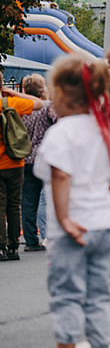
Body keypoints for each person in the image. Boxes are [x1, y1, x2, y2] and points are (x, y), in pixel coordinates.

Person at [35, 55, 110, 348]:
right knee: (98, 292)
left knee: (67, 293)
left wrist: (64, 219)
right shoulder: (106, 133)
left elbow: (60, 174)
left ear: (61, 93)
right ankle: (103, 346)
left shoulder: (62, 132)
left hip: (72, 228)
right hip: (103, 225)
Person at [0, 76, 45, 261]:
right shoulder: (11, 102)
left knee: (0, 205)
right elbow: (40, 103)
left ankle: (1, 245)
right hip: (16, 161)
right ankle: (13, 247)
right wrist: (14, 92)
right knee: (13, 205)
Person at [21, 74, 57, 254]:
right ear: (42, 90)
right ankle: (51, 235)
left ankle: (30, 239)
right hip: (45, 157)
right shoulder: (46, 107)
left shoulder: (21, 108)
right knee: (50, 198)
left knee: (28, 200)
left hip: (25, 157)